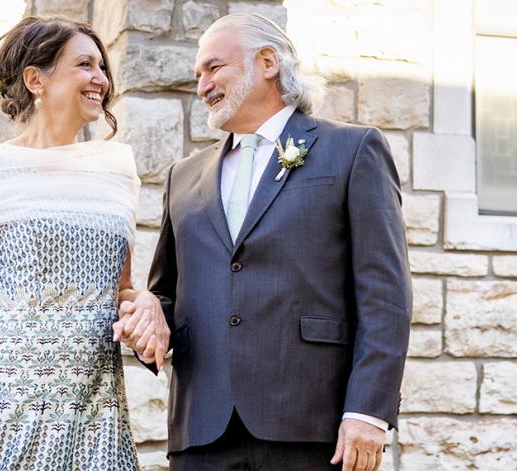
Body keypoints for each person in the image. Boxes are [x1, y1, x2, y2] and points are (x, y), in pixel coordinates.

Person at [115, 12, 412, 471]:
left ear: (268, 62)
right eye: (198, 75)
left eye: (214, 68)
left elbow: (385, 293)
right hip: (203, 432)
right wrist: (150, 314)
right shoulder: (184, 176)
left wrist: (367, 411)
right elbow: (168, 294)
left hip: (313, 426)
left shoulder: (352, 150)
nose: (202, 86)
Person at [0, 16, 167, 471]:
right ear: (36, 79)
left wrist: (148, 305)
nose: (100, 78)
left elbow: (119, 289)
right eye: (84, 64)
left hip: (92, 412)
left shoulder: (118, 169)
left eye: (101, 66)